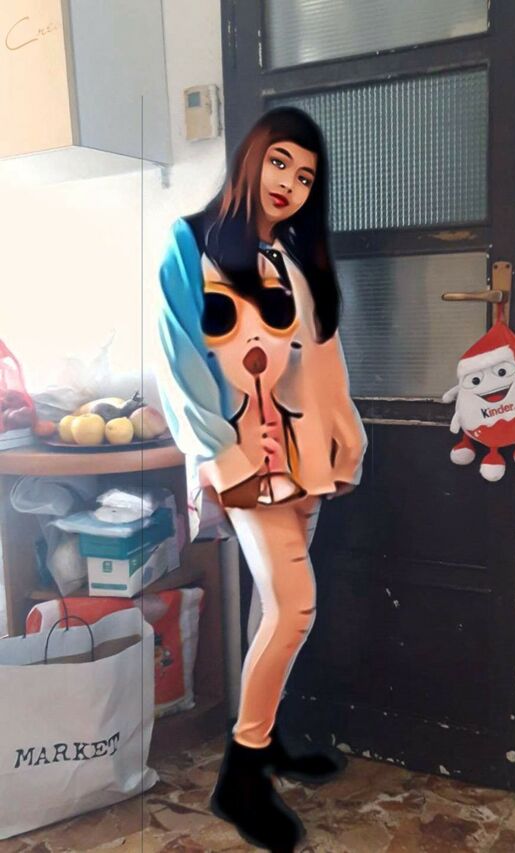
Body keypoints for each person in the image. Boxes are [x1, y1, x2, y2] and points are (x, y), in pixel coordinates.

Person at [155, 107, 367, 851]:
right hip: (244, 459)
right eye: (280, 162)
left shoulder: (294, 257)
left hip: (304, 457)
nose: (290, 183)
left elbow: (322, 360)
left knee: (268, 605)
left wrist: (343, 447)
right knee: (295, 605)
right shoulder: (190, 242)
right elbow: (179, 363)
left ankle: (266, 736)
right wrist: (224, 463)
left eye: (306, 176)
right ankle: (241, 775)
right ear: (251, 157)